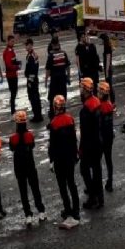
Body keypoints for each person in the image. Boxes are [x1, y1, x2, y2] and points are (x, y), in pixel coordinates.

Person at [48, 95, 80, 229]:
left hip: (60, 160)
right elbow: (74, 139)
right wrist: (76, 154)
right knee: (71, 184)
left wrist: (51, 160)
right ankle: (76, 211)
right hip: (70, 158)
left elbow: (53, 145)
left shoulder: (54, 123)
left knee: (63, 187)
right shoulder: (70, 119)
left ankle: (68, 210)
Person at [9, 110, 47, 225]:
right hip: (30, 165)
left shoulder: (13, 138)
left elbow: (12, 148)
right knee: (35, 189)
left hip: (19, 167)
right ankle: (41, 211)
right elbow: (32, 146)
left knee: (23, 191)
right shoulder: (29, 135)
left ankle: (28, 214)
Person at [78, 78, 104, 209]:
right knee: (97, 170)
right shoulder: (97, 102)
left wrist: (81, 148)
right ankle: (100, 197)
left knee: (84, 169)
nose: (80, 91)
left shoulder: (86, 109)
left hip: (90, 144)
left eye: (81, 88)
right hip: (98, 141)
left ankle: (92, 196)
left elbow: (84, 131)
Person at [45, 38, 71, 119]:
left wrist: (46, 81)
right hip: (63, 81)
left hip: (54, 82)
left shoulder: (51, 55)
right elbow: (68, 67)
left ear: (52, 45)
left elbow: (48, 71)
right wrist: (68, 77)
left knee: (53, 100)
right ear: (58, 44)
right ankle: (63, 117)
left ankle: (54, 119)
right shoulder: (64, 53)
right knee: (63, 99)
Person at [98, 81, 116, 193]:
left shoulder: (99, 106)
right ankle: (110, 182)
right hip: (109, 136)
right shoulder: (109, 105)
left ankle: (97, 184)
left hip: (101, 137)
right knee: (108, 159)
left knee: (98, 162)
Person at [24, 38, 44, 122]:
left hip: (32, 80)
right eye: (25, 45)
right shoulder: (33, 54)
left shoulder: (31, 56)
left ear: (31, 45)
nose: (26, 47)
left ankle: (37, 116)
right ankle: (38, 115)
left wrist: (30, 81)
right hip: (34, 79)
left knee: (33, 98)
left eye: (27, 45)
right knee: (36, 97)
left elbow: (32, 70)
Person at [2, 35, 20, 115]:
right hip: (11, 75)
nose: (13, 43)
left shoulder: (11, 50)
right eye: (12, 41)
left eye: (14, 41)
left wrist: (17, 63)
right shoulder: (8, 52)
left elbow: (12, 61)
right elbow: (9, 65)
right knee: (13, 93)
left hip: (13, 75)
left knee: (14, 92)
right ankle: (13, 111)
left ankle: (13, 109)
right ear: (8, 41)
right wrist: (17, 66)